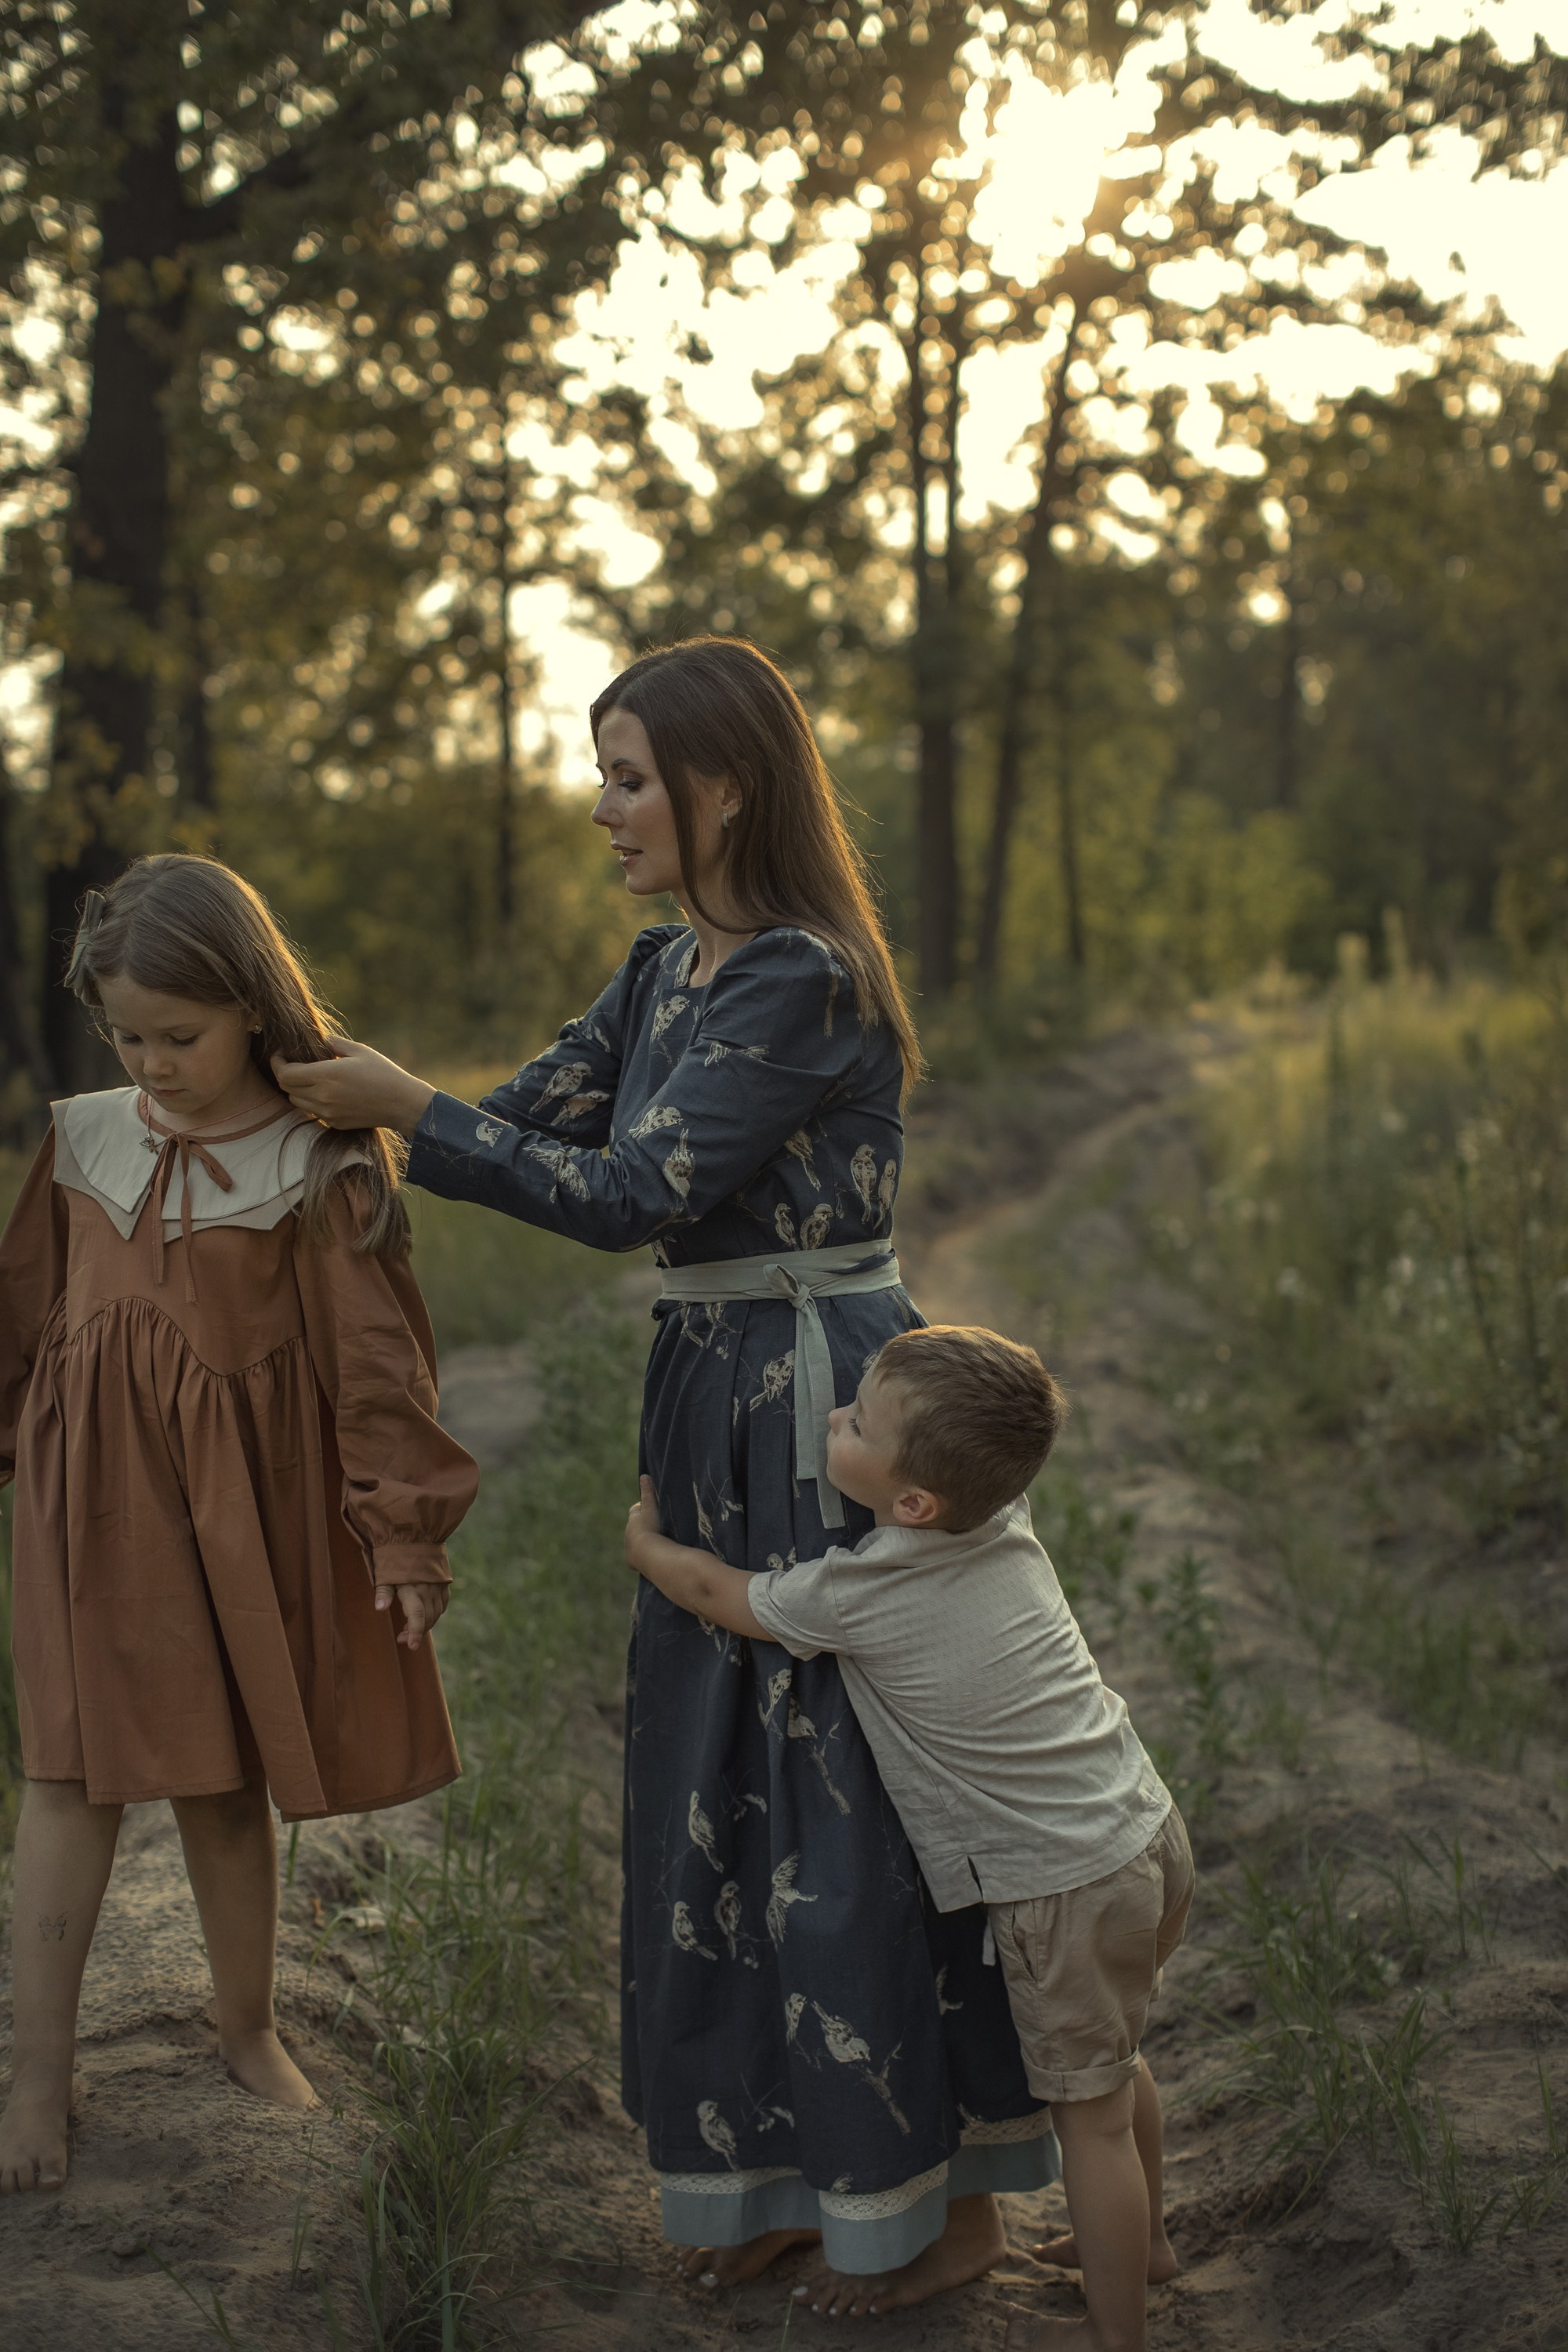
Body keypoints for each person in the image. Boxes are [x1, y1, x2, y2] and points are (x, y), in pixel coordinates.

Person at [274, 637, 1060, 2312]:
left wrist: (418, 1110)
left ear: (724, 784)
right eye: (601, 774)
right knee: (721, 1789)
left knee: (847, 1787)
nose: (606, 808)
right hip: (709, 1391)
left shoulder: (802, 975)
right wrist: (332, 1088)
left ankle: (947, 2202)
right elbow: (515, 1126)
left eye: (630, 776)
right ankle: (788, 2179)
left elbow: (631, 1190)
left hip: (823, 1402)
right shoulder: (661, 974)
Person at [0, 855, 477, 2196]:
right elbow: (22, 1310)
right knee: (66, 1771)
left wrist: (403, 1535)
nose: (150, 1062)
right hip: (87, 1509)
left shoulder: (318, 1162)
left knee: (222, 1778)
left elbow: (380, 1367)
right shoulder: (85, 1137)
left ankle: (245, 2024)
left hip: (233, 1521)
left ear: (253, 1010)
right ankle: (37, 2070)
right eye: (127, 1034)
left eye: (180, 1036)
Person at [625, 1321, 1193, 2350]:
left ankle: (1124, 2335)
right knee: (1121, 2060)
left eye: (853, 1420)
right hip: (1144, 1829)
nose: (831, 1415)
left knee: (1092, 2121)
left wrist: (645, 1544)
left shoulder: (869, 1591)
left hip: (1059, 1885)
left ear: (913, 1502)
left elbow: (720, 1594)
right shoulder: (1004, 1520)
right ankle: (1149, 2244)